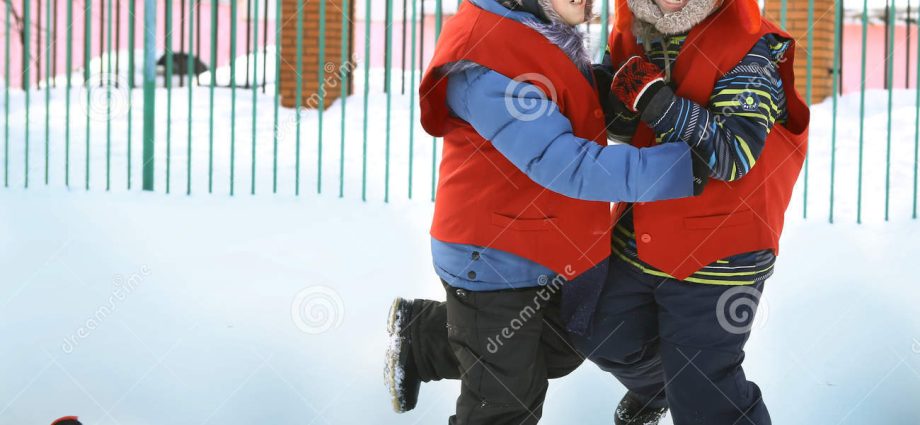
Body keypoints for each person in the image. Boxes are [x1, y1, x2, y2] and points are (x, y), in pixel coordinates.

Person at [383, 0, 709, 423]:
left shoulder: (532, 30)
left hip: (541, 244)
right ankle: (430, 339)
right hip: (491, 256)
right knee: (506, 403)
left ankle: (423, 336)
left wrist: (619, 93)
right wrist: (678, 168)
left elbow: (562, 100)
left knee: (558, 348)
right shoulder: (482, 58)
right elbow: (563, 161)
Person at [570, 0, 810, 423]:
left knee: (704, 397)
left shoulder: (751, 45)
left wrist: (656, 102)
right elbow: (630, 124)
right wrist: (612, 104)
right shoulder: (632, 31)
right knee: (596, 331)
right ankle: (665, 387)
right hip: (641, 232)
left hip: (720, 252)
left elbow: (735, 154)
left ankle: (689, 390)